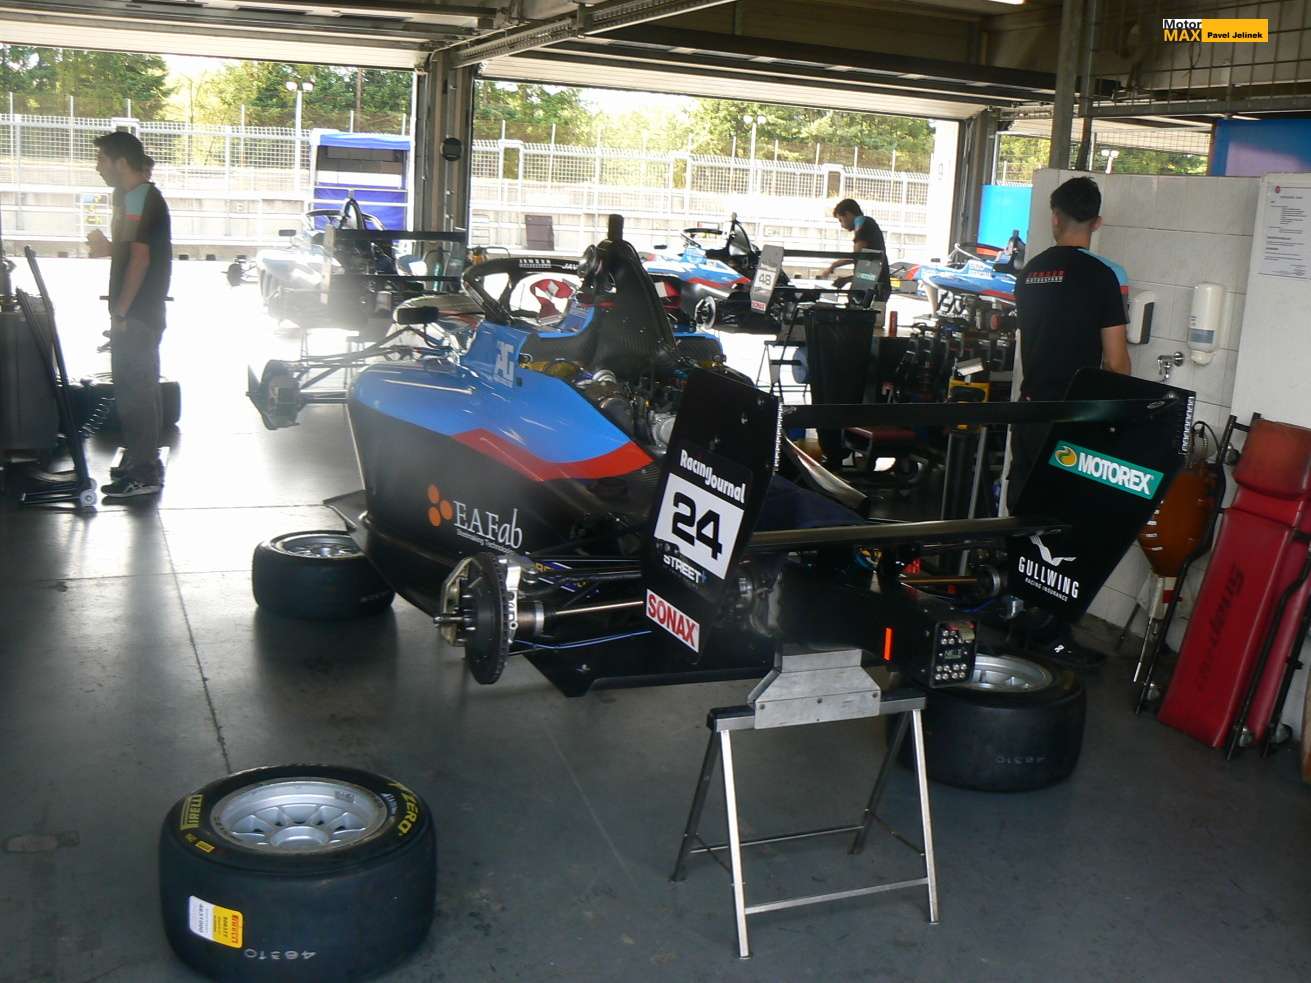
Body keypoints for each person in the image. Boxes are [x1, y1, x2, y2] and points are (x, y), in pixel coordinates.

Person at [1007, 175, 1131, 667]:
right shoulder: (1101, 277)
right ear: (1097, 222)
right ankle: (1053, 633)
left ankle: (1020, 614)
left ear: (1054, 217)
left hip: (1029, 408)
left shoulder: (1031, 272)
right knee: (1065, 524)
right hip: (1073, 415)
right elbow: (1116, 361)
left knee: (1025, 508)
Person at [87, 132, 171, 499]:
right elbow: (130, 250)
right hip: (138, 313)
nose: (98, 167)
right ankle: (142, 460)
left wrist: (121, 312)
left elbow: (140, 259)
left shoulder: (141, 198)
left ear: (121, 162)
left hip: (137, 314)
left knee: (136, 395)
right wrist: (107, 247)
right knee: (138, 391)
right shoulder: (129, 198)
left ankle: (144, 473)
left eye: (102, 159)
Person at [826, 198, 892, 302]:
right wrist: (847, 279)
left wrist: (835, 264)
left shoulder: (863, 223)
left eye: (841, 220)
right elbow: (866, 265)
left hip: (873, 288)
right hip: (875, 284)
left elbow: (857, 255)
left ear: (847, 214)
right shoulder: (867, 224)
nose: (842, 225)